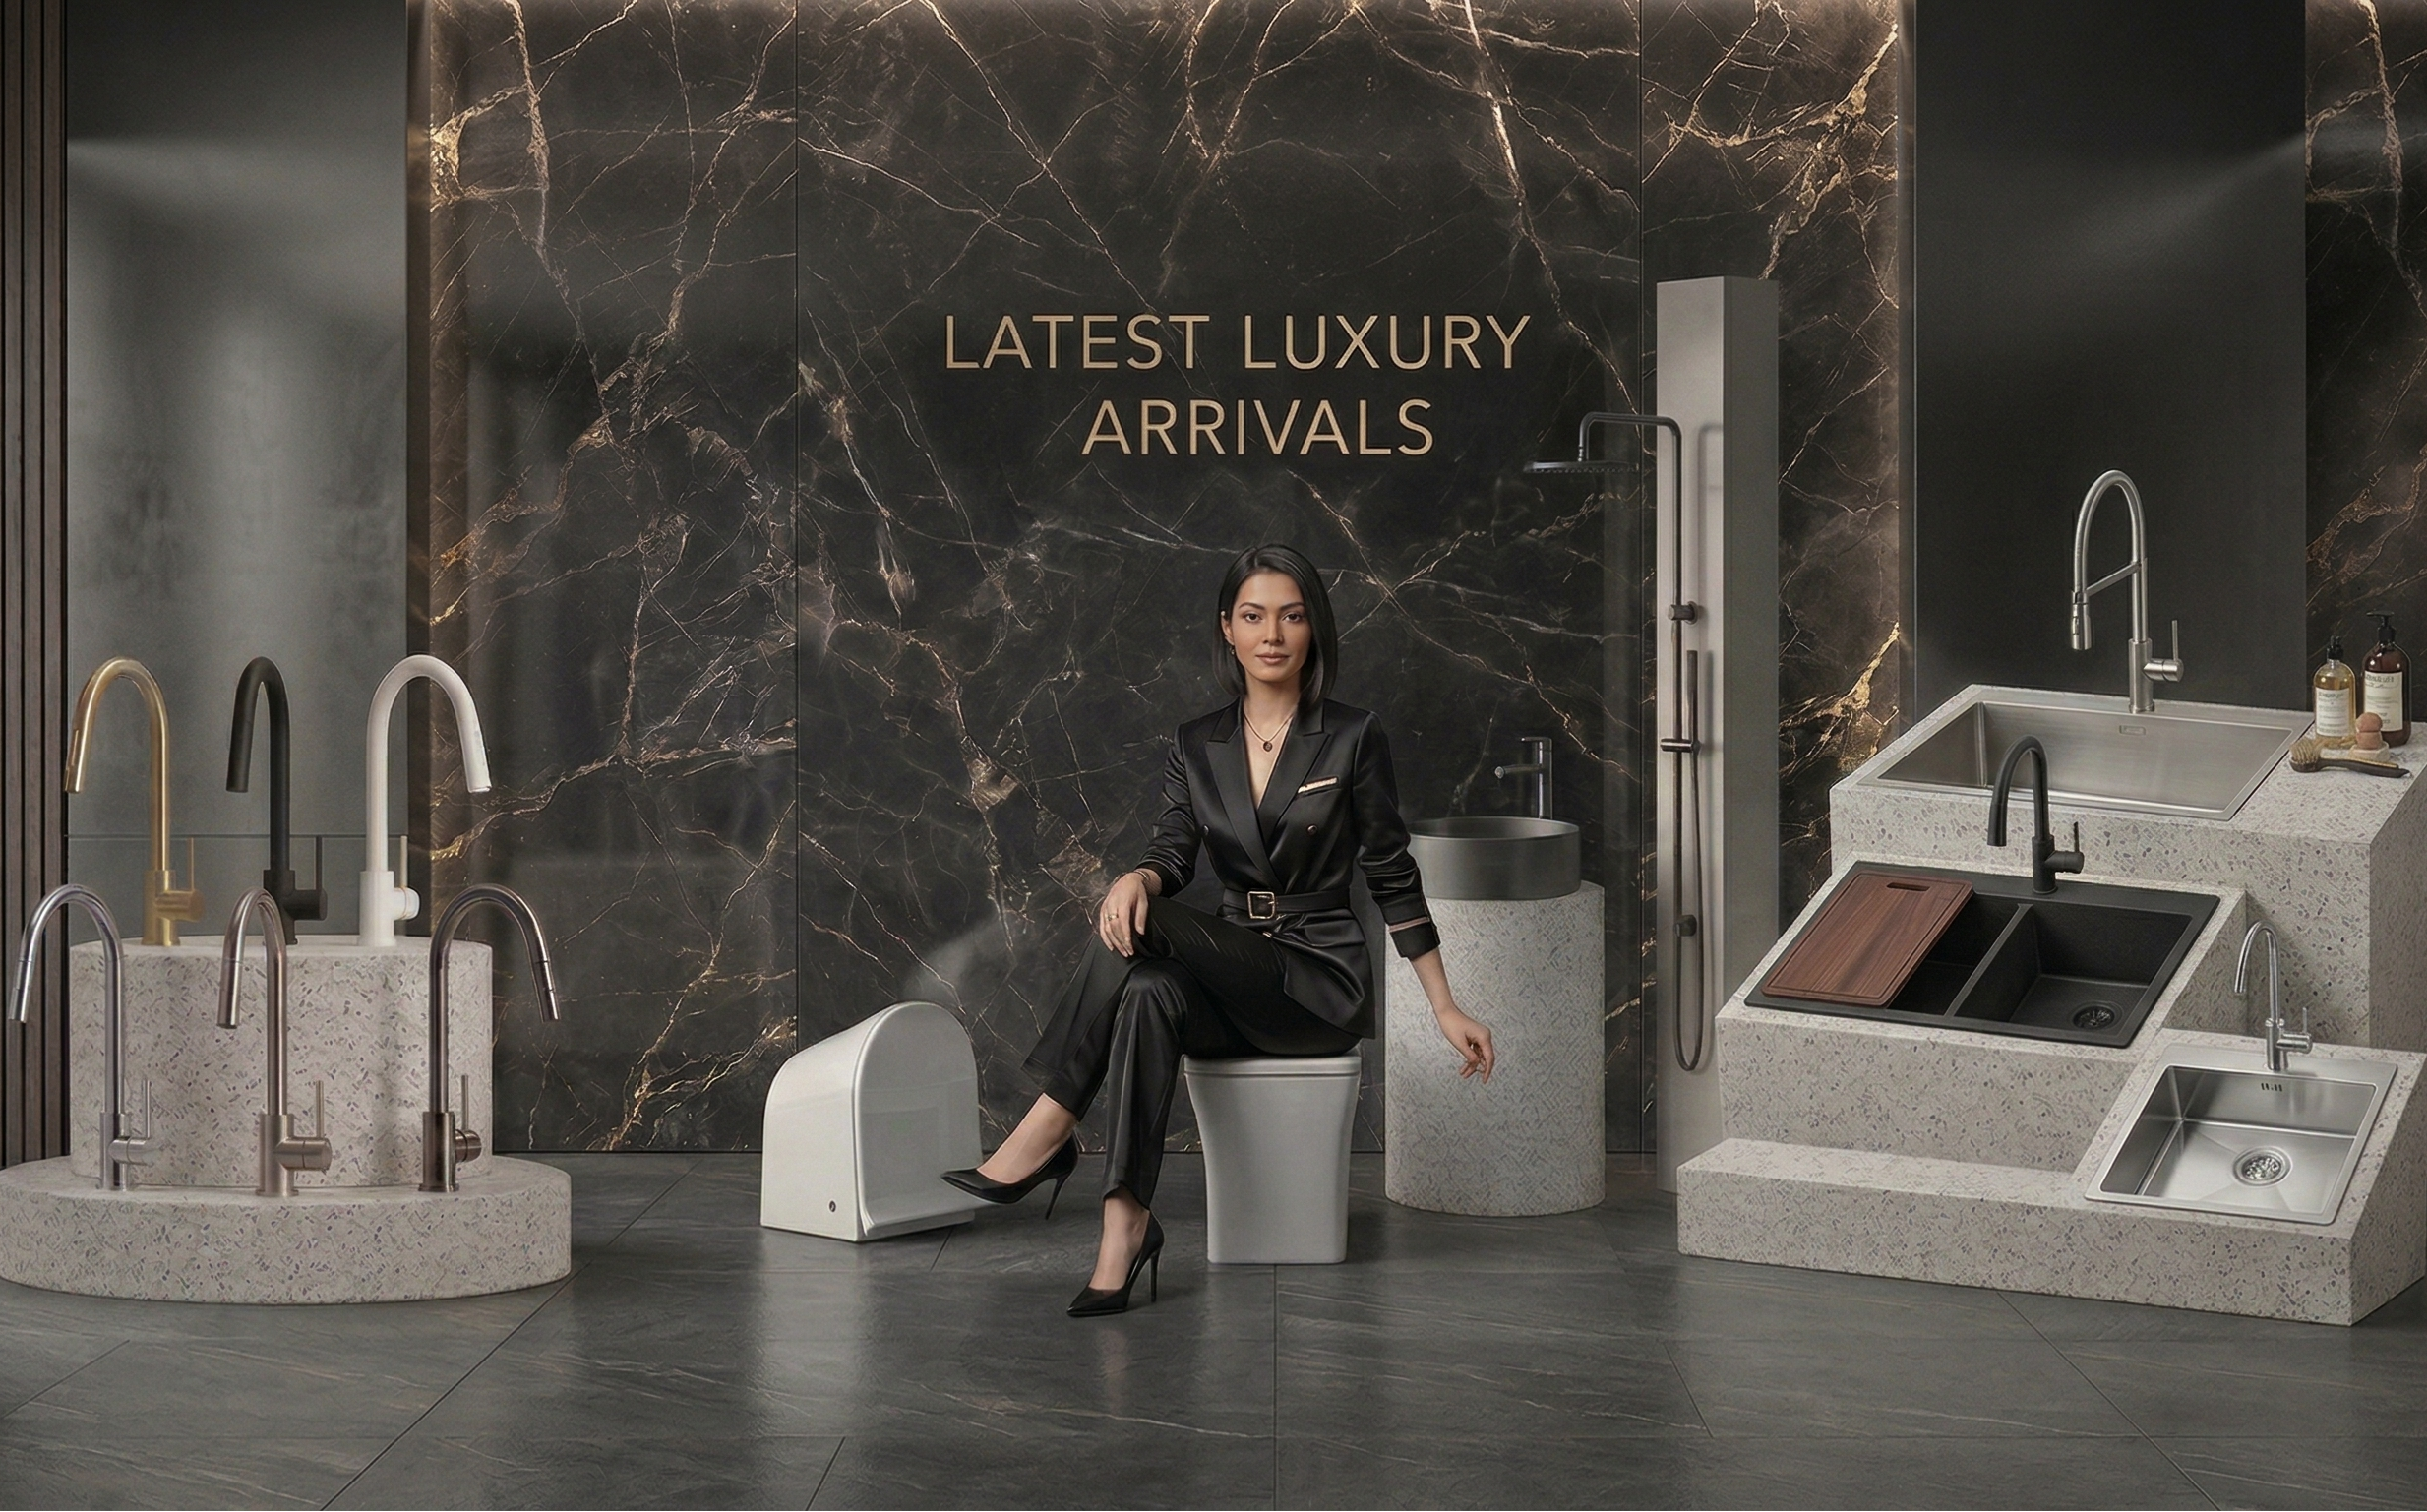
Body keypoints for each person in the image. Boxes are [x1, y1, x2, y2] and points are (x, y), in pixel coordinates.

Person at [943, 543, 1497, 1315]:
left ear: (1313, 629)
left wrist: (1443, 1003)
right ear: (1226, 630)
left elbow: (1390, 871)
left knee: (1151, 928)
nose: (1271, 634)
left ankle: (1049, 1121)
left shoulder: (1350, 734)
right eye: (1253, 616)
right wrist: (1139, 875)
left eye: (1290, 616)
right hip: (1230, 972)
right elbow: (1172, 850)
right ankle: (1124, 1224)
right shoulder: (1195, 742)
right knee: (1148, 986)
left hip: (1314, 981)